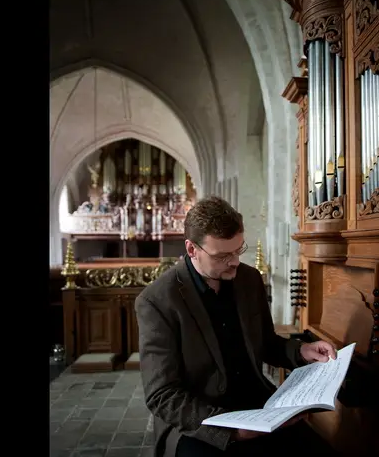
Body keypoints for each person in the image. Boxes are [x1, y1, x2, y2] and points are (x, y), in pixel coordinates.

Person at [135, 196, 340, 457]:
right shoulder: (157, 301)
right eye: (222, 256)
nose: (234, 262)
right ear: (191, 249)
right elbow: (162, 395)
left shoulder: (249, 279)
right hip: (201, 421)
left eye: (238, 250)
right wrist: (232, 431)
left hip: (259, 406)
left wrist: (302, 351)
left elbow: (266, 343)